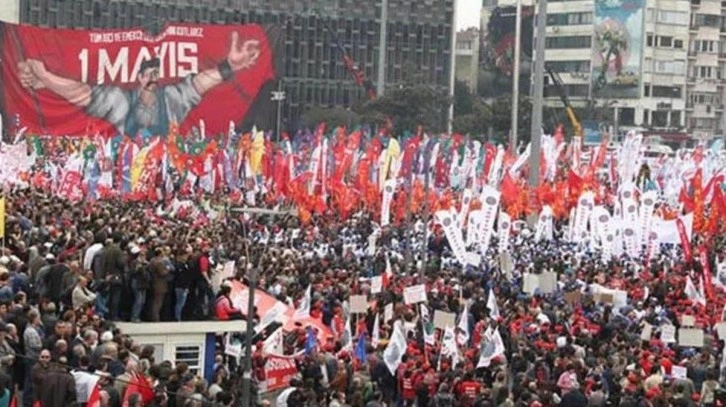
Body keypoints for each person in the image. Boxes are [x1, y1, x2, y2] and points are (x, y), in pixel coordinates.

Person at [18, 32, 261, 136]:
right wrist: (48, 79)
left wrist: (229, 66)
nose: (153, 77)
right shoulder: (121, 102)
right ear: (139, 78)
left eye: (157, 73)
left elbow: (198, 84)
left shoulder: (172, 99)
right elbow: (84, 94)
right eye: (148, 73)